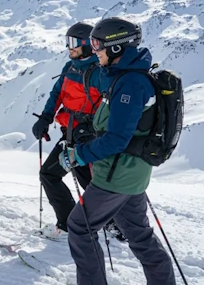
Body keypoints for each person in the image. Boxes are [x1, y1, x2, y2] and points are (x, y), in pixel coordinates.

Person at [61, 17, 175, 284]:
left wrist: (78, 155)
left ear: (116, 48)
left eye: (98, 44)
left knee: (80, 227)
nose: (95, 49)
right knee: (138, 234)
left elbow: (116, 140)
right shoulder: (126, 77)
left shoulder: (131, 84)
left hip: (117, 176)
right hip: (131, 175)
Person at [32, 22, 122, 241]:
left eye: (73, 42)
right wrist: (45, 118)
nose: (68, 47)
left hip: (89, 138)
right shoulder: (70, 67)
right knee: (51, 174)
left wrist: (93, 127)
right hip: (70, 134)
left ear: (87, 44)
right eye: (67, 42)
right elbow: (57, 95)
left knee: (92, 182)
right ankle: (72, 222)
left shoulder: (100, 72)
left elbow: (110, 105)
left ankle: (114, 224)